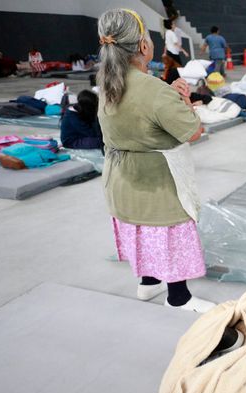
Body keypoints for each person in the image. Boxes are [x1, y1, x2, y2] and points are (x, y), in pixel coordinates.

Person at [96, 9, 213, 313]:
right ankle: (179, 298)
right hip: (156, 182)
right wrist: (184, 100)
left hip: (121, 180)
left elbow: (141, 110)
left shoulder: (107, 82)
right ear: (143, 47)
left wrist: (168, 95)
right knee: (165, 232)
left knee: (141, 230)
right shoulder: (154, 90)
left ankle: (148, 283)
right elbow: (192, 132)